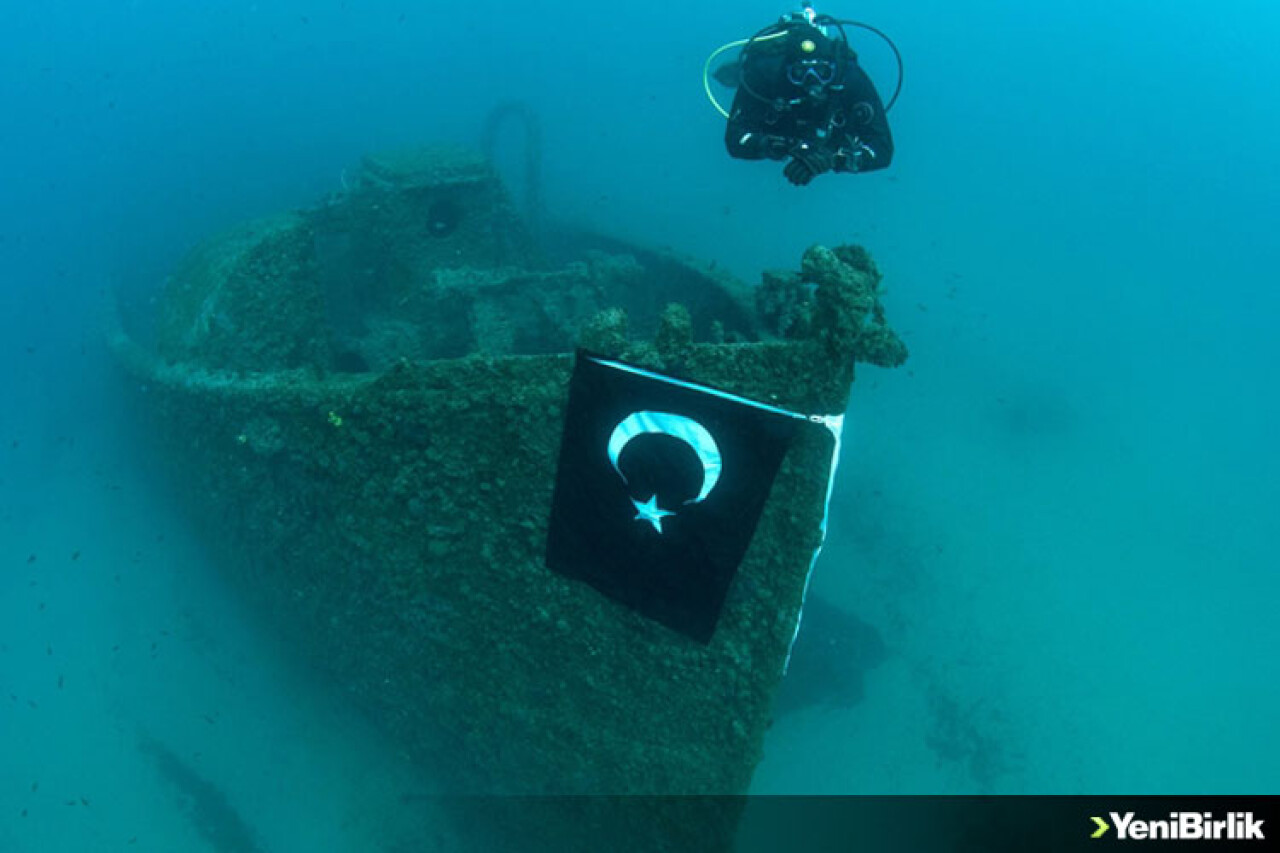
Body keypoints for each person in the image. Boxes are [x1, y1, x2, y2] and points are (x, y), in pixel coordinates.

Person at [718, 5, 896, 185]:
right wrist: (774, 146)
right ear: (786, 71)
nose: (812, 82)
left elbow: (882, 149)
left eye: (822, 72)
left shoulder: (849, 77)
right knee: (744, 79)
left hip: (828, 136)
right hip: (779, 127)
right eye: (798, 73)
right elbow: (734, 139)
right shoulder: (765, 74)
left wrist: (834, 159)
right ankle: (737, 72)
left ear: (832, 70)